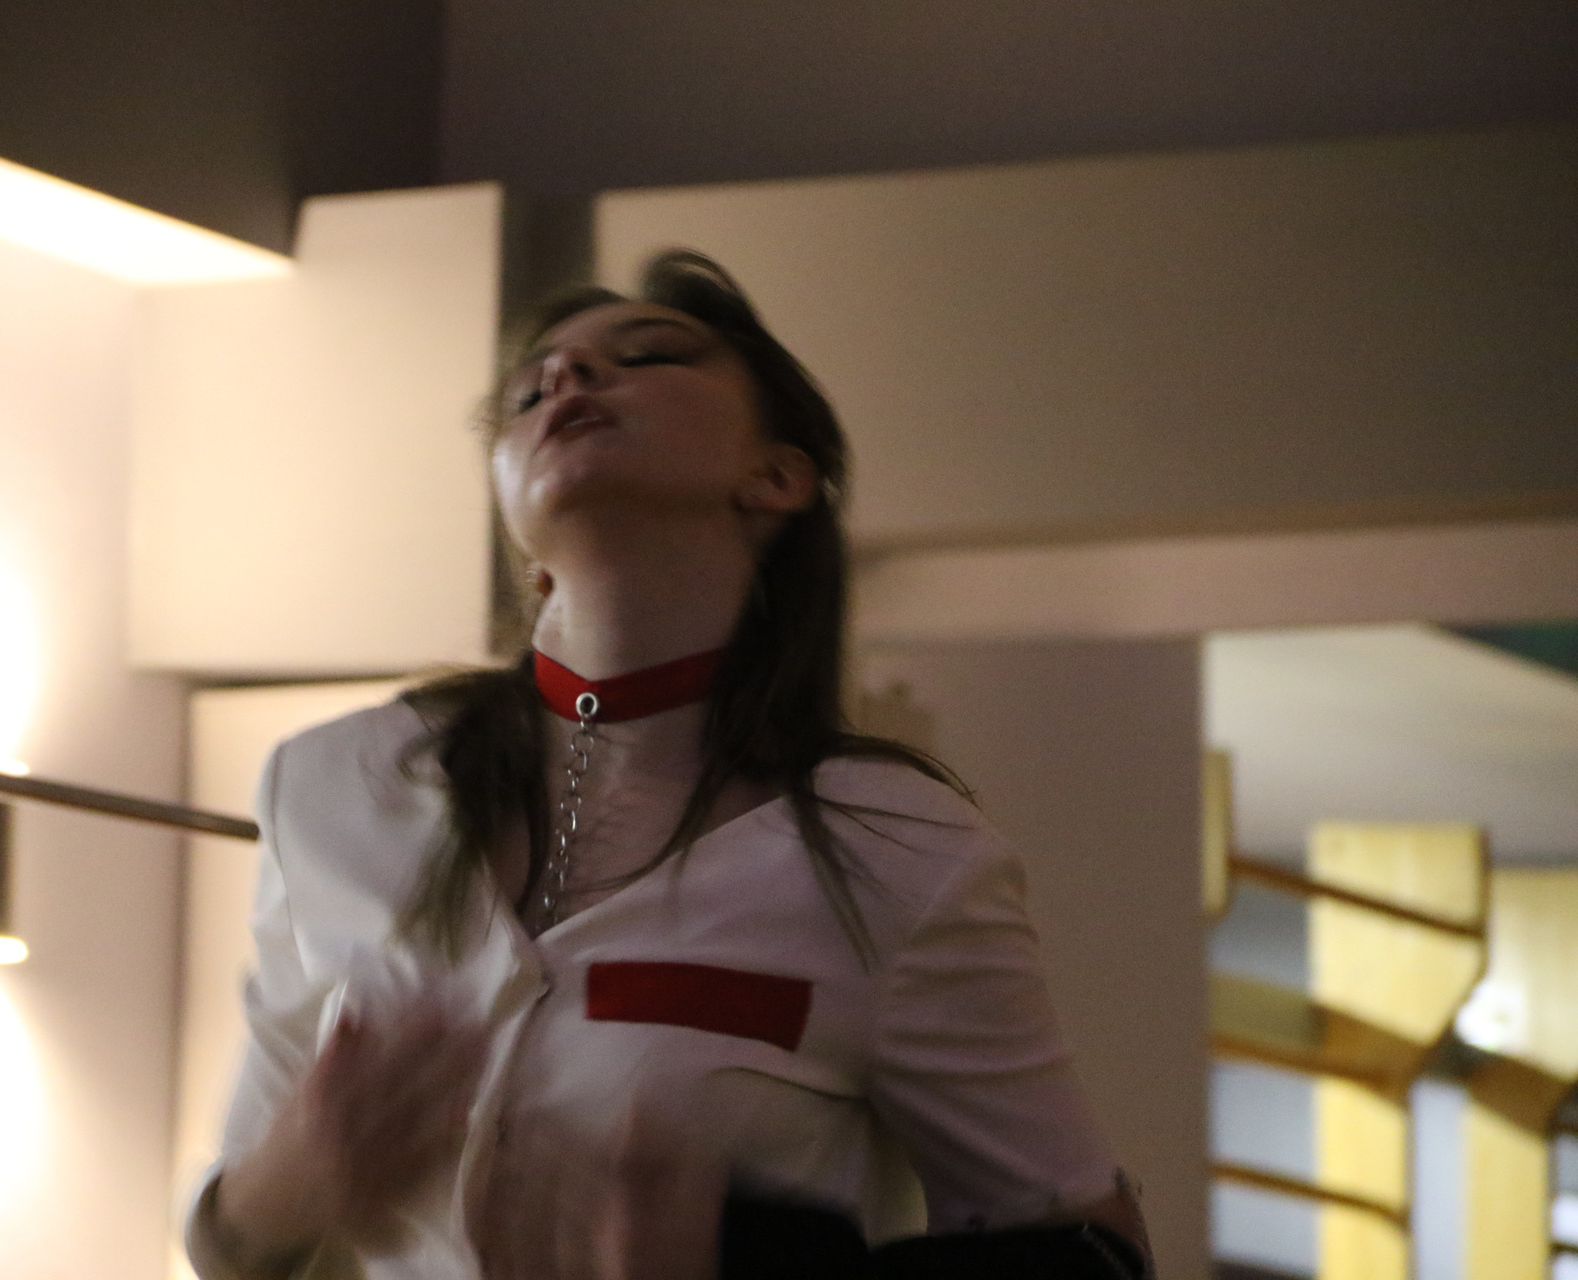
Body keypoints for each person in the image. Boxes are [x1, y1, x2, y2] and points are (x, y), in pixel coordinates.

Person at [185, 251, 1153, 1280]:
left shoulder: (900, 850)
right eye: (530, 390)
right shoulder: (333, 784)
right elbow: (228, 1246)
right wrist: (291, 1179)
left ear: (776, 476)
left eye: (648, 355)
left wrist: (758, 1267)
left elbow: (1096, 1252)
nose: (565, 378)